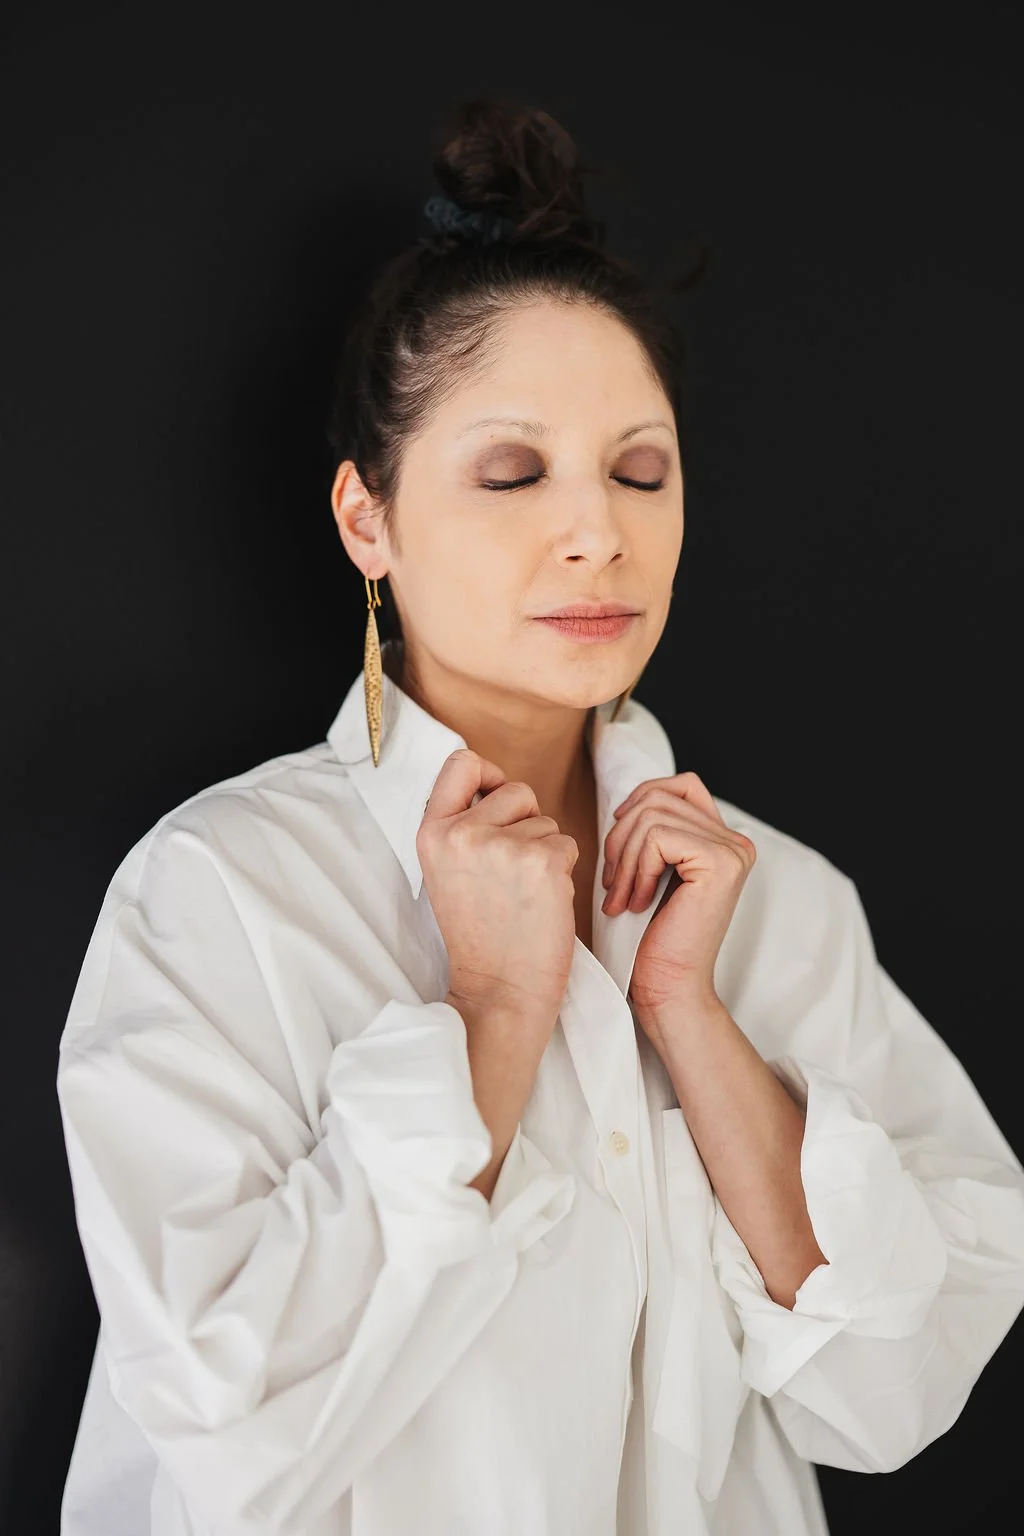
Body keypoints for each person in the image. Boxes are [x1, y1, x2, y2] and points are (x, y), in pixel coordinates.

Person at [56, 96, 1024, 1536]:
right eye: (514, 473)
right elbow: (222, 1429)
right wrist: (498, 1012)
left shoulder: (786, 905)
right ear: (365, 521)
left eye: (641, 470)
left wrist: (692, 1016)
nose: (599, 531)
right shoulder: (223, 892)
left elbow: (894, 1392)